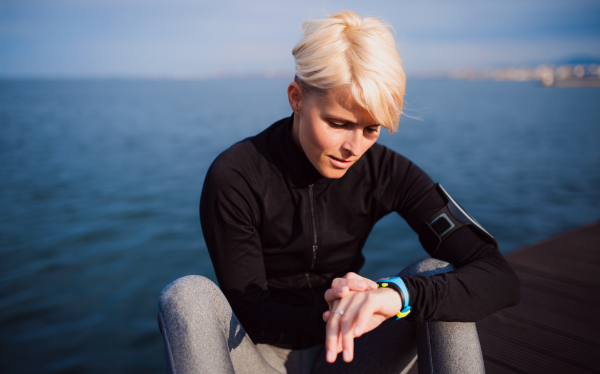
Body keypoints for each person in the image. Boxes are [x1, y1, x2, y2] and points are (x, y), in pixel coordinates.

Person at [158, 10, 520, 374]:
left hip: (352, 353)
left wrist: (394, 295)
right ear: (296, 98)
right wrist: (340, 312)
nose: (354, 147)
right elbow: (255, 315)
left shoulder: (386, 171)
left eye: (370, 128)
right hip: (259, 353)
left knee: (432, 274)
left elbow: (498, 276)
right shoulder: (237, 175)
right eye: (338, 123)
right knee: (186, 295)